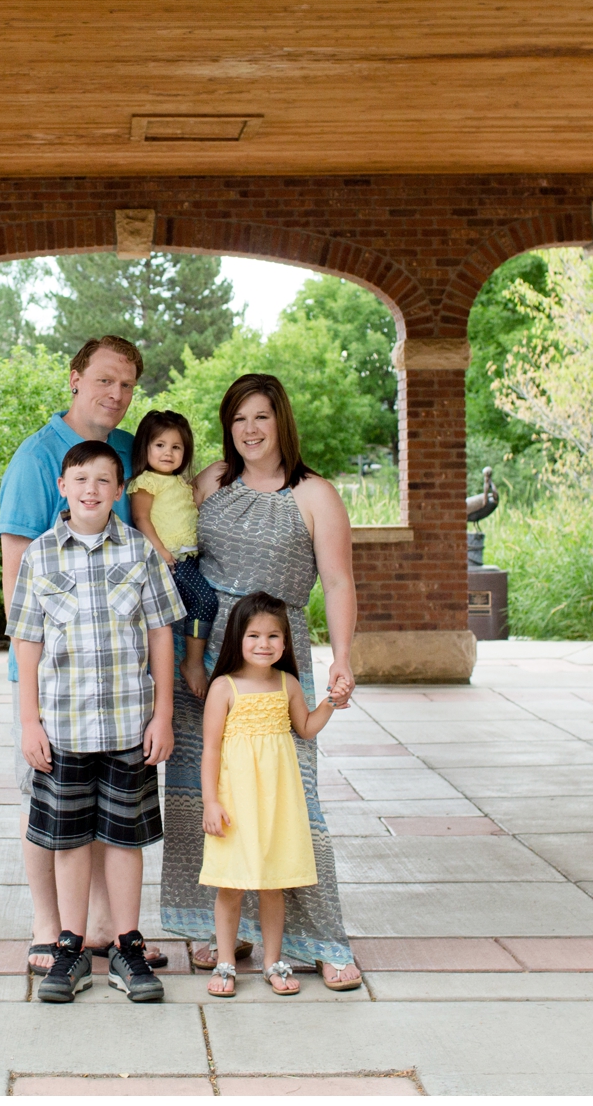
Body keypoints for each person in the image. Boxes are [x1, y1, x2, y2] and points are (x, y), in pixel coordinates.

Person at [160, 372, 366, 990]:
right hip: (208, 650)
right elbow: (174, 547)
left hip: (278, 653)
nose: (249, 430)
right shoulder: (211, 483)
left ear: (281, 422)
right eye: (238, 419)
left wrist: (344, 657)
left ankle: (324, 940)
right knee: (210, 789)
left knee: (289, 795)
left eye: (260, 417)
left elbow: (337, 582)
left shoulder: (315, 494)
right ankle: (219, 930)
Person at [0, 336, 168, 975]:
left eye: (126, 385)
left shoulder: (127, 453)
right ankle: (49, 927)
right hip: (52, 673)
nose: (116, 396)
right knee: (50, 805)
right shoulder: (37, 458)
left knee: (111, 809)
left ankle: (105, 928)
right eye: (104, 381)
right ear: (75, 379)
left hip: (119, 671)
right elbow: (18, 577)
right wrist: (29, 695)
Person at [8, 440, 183, 1004]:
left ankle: (128, 945)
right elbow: (26, 641)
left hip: (129, 725)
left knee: (123, 838)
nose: (91, 490)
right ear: (63, 487)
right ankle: (71, 945)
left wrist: (163, 714)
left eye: (104, 481)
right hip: (63, 728)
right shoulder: (39, 556)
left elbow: (161, 635)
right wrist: (29, 721)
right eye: (80, 479)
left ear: (118, 490)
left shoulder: (140, 553)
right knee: (69, 841)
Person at [198, 592, 343, 998]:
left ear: (286, 641)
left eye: (274, 636)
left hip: (279, 802)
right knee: (230, 884)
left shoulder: (288, 684)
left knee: (273, 884)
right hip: (235, 804)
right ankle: (225, 963)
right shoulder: (224, 688)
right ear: (236, 639)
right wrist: (211, 801)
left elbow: (307, 728)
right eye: (254, 636)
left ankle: (273, 961)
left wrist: (331, 700)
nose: (264, 644)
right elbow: (210, 748)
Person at [125, 409, 219, 674]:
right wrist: (162, 551)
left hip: (188, 557)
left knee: (191, 607)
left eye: (176, 447)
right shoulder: (146, 482)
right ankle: (192, 661)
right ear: (145, 447)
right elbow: (141, 518)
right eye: (160, 445)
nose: (168, 452)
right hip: (170, 560)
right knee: (205, 601)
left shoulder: (180, 482)